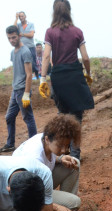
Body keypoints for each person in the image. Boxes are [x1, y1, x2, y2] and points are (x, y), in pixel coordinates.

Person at [39, 0, 94, 161]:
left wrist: (43, 79)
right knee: (76, 116)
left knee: (62, 115)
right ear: (69, 11)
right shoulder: (77, 32)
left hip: (58, 77)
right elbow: (85, 57)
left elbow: (46, 56)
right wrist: (88, 73)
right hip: (75, 75)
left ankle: (61, 151)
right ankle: (75, 155)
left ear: (53, 12)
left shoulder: (50, 32)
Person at [13, 114, 85, 211]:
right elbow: (29, 193)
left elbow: (46, 158)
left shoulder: (46, 138)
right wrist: (56, 207)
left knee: (74, 164)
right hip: (27, 197)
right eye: (60, 146)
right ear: (47, 139)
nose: (64, 150)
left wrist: (60, 159)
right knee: (74, 202)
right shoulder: (33, 157)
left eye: (67, 146)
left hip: (39, 183)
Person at [0, 25, 36, 154]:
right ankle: (10, 144)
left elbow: (29, 74)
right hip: (15, 90)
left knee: (28, 118)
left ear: (19, 36)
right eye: (9, 38)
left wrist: (26, 93)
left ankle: (34, 145)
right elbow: (17, 72)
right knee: (9, 117)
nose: (12, 40)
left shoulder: (25, 52)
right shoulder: (13, 52)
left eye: (14, 37)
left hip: (22, 90)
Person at [14, 11, 38, 77]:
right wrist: (16, 18)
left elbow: (31, 34)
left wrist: (23, 34)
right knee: (23, 62)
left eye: (22, 16)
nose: (21, 18)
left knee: (33, 61)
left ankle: (36, 74)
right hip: (22, 47)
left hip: (30, 46)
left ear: (25, 16)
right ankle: (26, 76)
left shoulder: (31, 24)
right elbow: (13, 28)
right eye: (20, 16)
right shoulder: (18, 25)